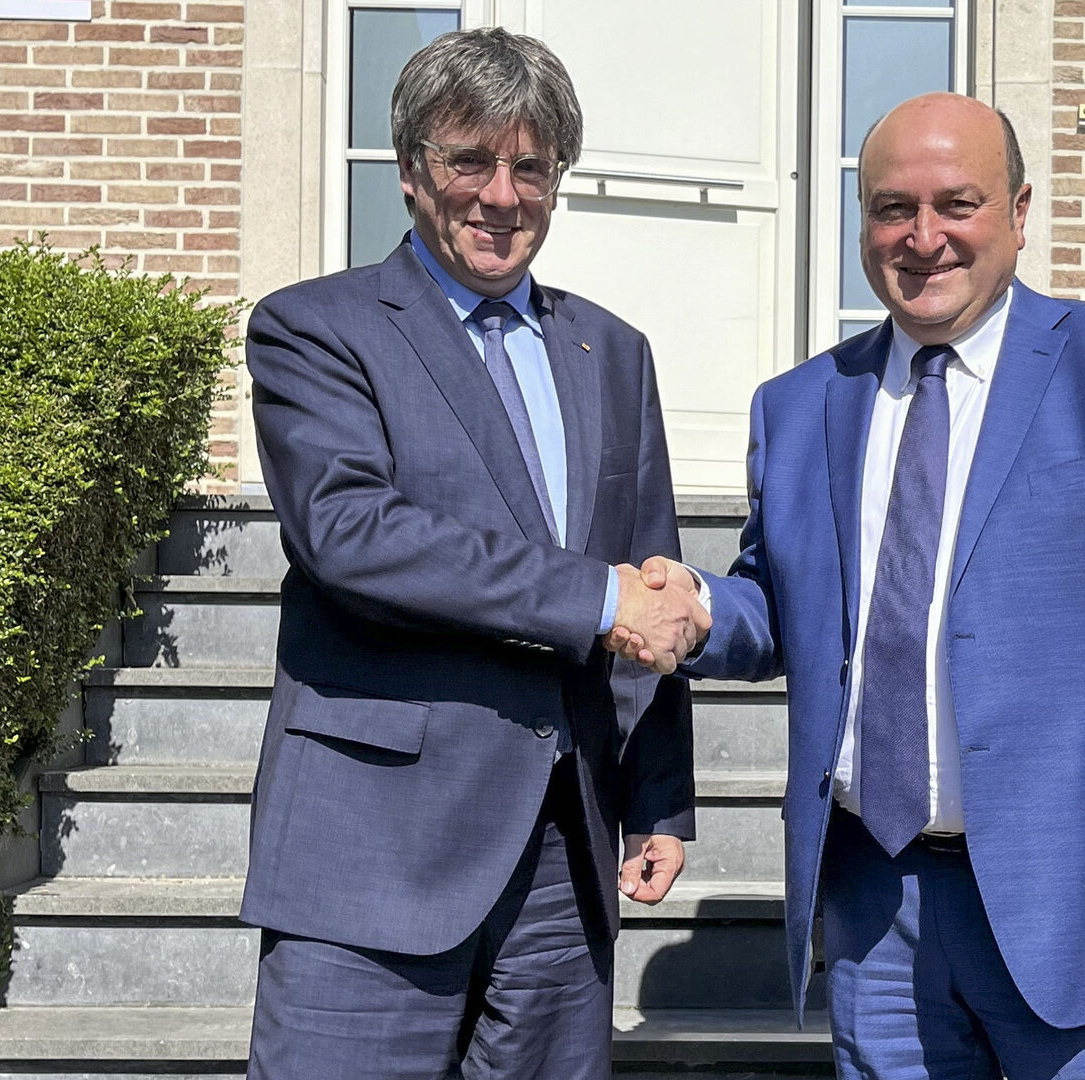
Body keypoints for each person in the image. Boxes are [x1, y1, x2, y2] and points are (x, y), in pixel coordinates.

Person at [609, 93, 1085, 1079]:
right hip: (877, 905)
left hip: (1080, 898)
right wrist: (693, 608)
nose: (923, 238)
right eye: (892, 209)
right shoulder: (800, 405)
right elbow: (780, 606)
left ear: (1019, 212)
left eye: (958, 203)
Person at [240, 27, 709, 1080]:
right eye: (470, 161)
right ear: (411, 169)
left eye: (531, 167)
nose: (502, 196)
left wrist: (658, 796)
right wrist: (596, 599)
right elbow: (351, 533)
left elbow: (651, 573)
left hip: (564, 856)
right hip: (373, 851)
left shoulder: (612, 350)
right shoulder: (316, 328)